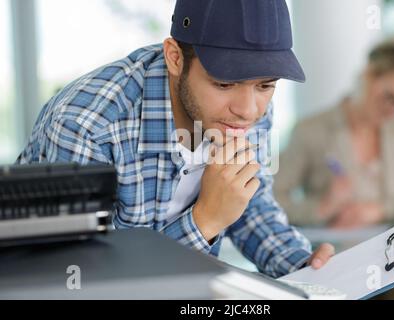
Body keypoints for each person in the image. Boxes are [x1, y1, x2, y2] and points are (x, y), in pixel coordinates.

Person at [16, 0, 334, 279]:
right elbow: (81, 279)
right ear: (175, 58)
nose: (248, 110)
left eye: (266, 86)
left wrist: (303, 266)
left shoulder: (245, 109)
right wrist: (204, 221)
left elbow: (249, 203)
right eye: (225, 84)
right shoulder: (87, 125)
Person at [274, 34, 394, 229]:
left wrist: (380, 210)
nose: (393, 110)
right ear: (369, 74)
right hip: (335, 253)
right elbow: (271, 201)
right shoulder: (310, 131)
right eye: (390, 97)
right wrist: (321, 208)